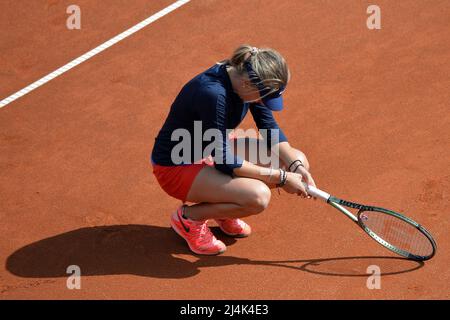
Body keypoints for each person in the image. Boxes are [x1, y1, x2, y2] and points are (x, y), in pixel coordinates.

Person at [151, 44, 316, 255]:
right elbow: (225, 161)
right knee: (257, 197)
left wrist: (296, 167)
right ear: (247, 83)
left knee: (294, 158)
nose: (263, 102)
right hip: (177, 166)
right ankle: (189, 218)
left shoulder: (246, 78)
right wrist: (282, 178)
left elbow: (269, 127)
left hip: (211, 151)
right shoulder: (212, 94)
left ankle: (224, 205)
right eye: (263, 97)